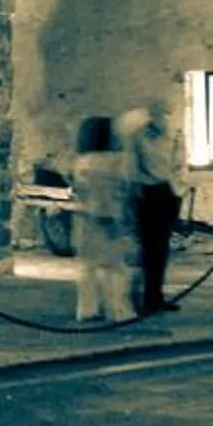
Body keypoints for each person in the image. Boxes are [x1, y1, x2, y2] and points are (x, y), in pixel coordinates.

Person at [68, 114, 139, 324]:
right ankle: (118, 310)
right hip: (110, 217)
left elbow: (79, 191)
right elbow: (123, 190)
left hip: (84, 218)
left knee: (87, 268)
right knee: (116, 268)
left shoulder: (80, 162)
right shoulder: (117, 162)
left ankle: (87, 310)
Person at [123, 102, 181, 313]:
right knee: (147, 249)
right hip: (148, 193)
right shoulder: (139, 139)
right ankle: (142, 299)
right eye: (158, 115)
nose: (162, 120)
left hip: (166, 192)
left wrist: (176, 190)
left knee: (161, 250)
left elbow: (175, 165)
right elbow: (133, 168)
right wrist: (135, 193)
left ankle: (155, 296)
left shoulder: (170, 137)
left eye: (163, 116)